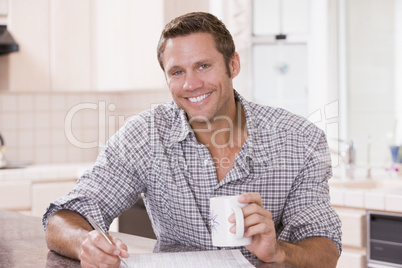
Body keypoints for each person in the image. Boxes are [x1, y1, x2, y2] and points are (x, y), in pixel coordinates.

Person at [43, 12, 341, 268]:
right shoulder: (145, 134)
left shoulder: (300, 139)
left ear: (233, 65)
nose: (190, 84)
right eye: (177, 71)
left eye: (203, 66)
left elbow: (326, 249)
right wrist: (86, 242)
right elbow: (63, 218)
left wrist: (278, 252)